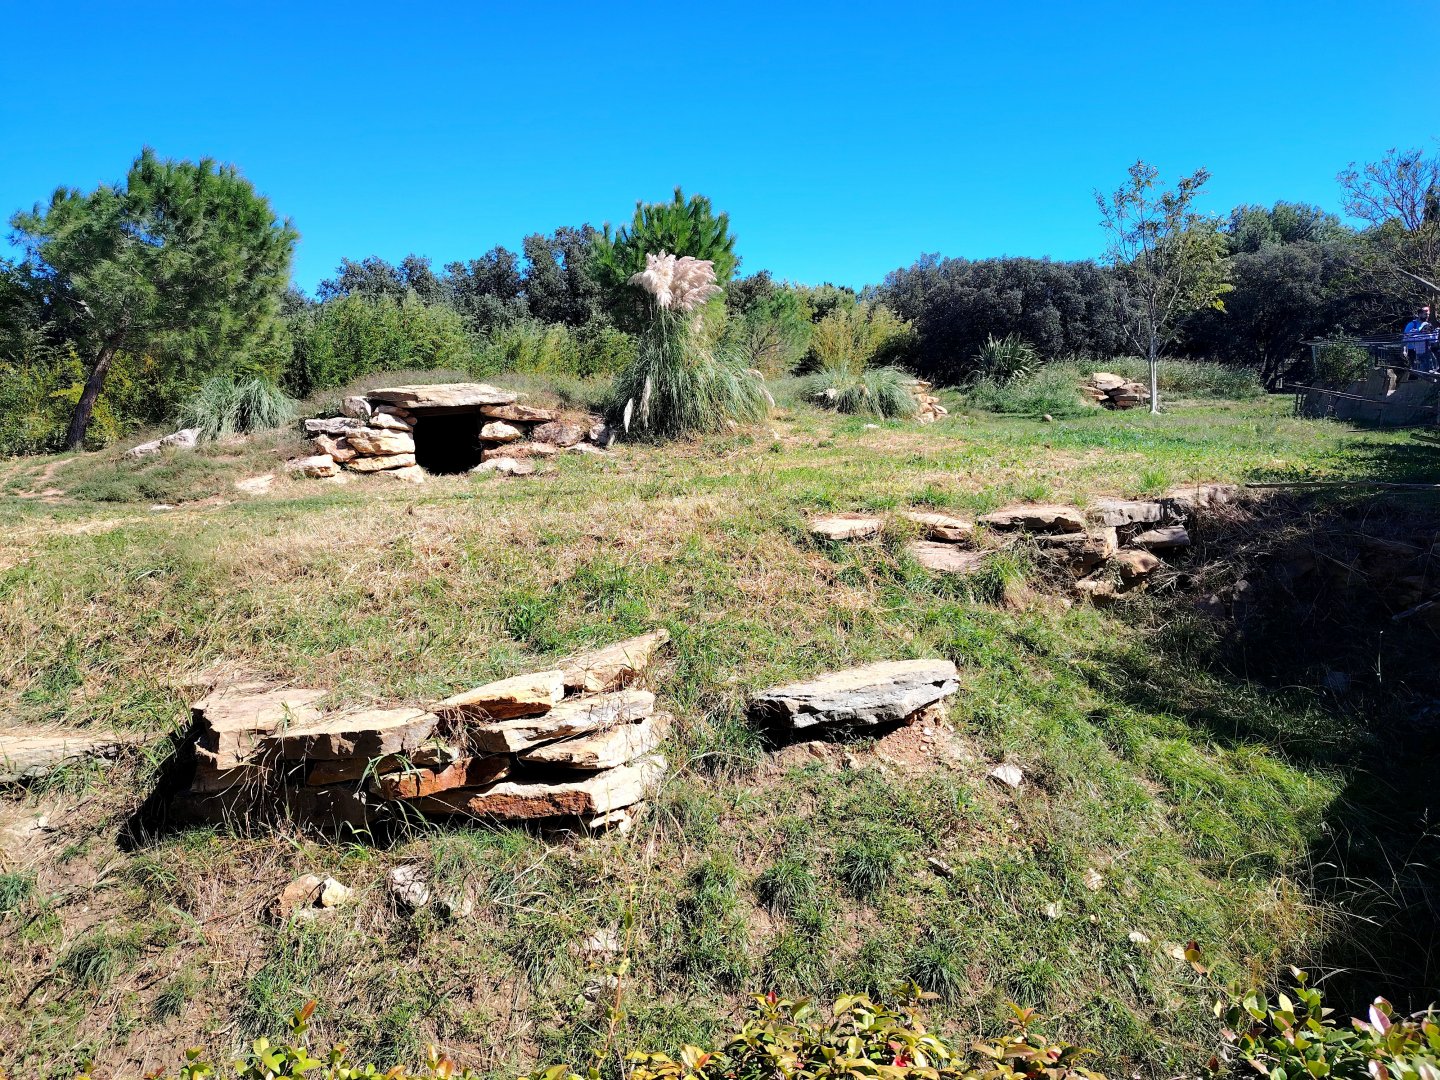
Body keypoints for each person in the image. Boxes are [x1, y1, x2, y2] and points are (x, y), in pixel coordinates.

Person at [1403, 305, 1438, 374]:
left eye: (1428, 314)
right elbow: (1405, 338)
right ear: (1419, 314)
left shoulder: (1428, 325)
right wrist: (1404, 350)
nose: (1427, 316)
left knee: (1429, 367)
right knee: (1415, 370)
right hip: (1412, 351)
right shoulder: (1412, 324)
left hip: (1425, 350)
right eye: (1425, 314)